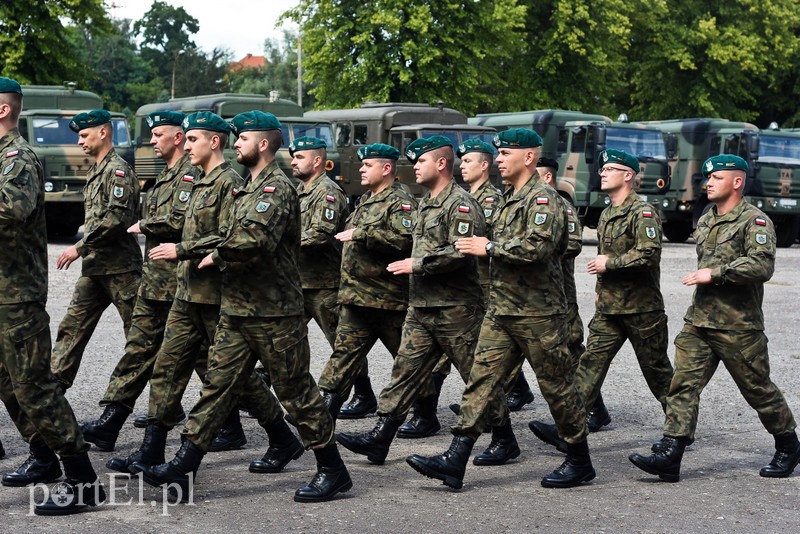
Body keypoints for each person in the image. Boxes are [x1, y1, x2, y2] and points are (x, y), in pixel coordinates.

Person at [139, 110, 352, 503]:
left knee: (297, 392)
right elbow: (226, 232)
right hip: (237, 310)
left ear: (264, 144)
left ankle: (333, 470)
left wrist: (199, 252)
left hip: (274, 313)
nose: (236, 144)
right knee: (216, 388)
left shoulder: (277, 189)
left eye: (242, 138)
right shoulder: (247, 187)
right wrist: (203, 248)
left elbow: (253, 238)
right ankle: (184, 466)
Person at [106, 112, 296, 475]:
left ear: (215, 141)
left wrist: (184, 248)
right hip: (187, 291)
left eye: (193, 139)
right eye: (186, 139)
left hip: (215, 295)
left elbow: (229, 237)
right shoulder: (200, 180)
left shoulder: (230, 182)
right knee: (167, 369)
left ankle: (282, 436)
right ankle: (151, 450)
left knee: (233, 378)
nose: (186, 145)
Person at [406, 128, 595, 490]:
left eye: (506, 153)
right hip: (502, 309)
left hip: (539, 313)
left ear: (529, 157)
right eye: (499, 153)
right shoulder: (509, 199)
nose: (500, 160)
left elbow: (537, 248)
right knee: (481, 382)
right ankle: (455, 458)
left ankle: (579, 459)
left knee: (557, 387)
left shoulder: (544, 200)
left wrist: (490, 247)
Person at [629, 154, 800, 482]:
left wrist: (716, 273)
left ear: (737, 182)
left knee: (757, 389)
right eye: (708, 178)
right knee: (683, 385)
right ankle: (671, 452)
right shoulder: (706, 218)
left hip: (738, 325)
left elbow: (762, 266)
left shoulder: (755, 221)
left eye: (716, 178)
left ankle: (788, 444)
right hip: (700, 321)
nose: (708, 183)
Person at [336, 135, 493, 465]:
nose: (414, 167)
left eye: (420, 161)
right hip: (422, 306)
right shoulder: (426, 203)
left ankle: (504, 438)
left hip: (455, 309)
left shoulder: (461, 204)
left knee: (476, 378)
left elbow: (462, 252)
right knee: (404, 374)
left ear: (440, 164)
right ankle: (380, 438)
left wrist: (418, 264)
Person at [0, 76, 105, 515]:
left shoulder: (17, 158)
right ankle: (43, 455)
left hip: (15, 294)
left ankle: (82, 479)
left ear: (2, 109)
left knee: (35, 386)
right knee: (7, 383)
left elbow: (12, 209)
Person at [530, 149, 673, 452]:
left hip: (642, 309)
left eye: (610, 169)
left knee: (658, 374)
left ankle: (679, 430)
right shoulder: (607, 213)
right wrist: (600, 285)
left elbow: (648, 253)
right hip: (609, 308)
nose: (603, 173)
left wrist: (611, 265)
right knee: (589, 366)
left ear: (628, 176)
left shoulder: (643, 212)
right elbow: (602, 259)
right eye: (603, 168)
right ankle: (567, 427)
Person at [79, 111, 197, 451]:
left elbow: (180, 221)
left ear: (176, 138)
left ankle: (270, 427)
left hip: (182, 283)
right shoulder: (163, 177)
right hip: (156, 282)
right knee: (139, 349)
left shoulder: (188, 176)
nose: (152, 142)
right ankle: (110, 422)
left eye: (158, 135)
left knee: (208, 359)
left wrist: (146, 225)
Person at [317, 144, 416, 421]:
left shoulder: (400, 200)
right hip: (357, 297)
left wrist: (364, 234)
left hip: (386, 299)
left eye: (367, 165)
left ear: (386, 169)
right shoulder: (366, 199)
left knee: (409, 361)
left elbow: (405, 240)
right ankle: (323, 414)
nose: (360, 168)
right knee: (344, 355)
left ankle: (425, 412)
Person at [50, 109, 142, 390]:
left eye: (84, 135)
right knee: (71, 330)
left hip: (121, 270)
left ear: (103, 132)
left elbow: (117, 219)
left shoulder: (118, 171)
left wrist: (79, 246)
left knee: (142, 337)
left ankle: (167, 405)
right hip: (95, 269)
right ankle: (50, 394)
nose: (80, 142)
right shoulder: (96, 171)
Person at [292, 137, 375, 418]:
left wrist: (282, 244)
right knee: (283, 338)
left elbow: (320, 233)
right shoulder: (300, 191)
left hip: (324, 284)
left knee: (342, 344)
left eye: (300, 157)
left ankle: (364, 394)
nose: (293, 161)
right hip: (298, 282)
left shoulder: (328, 192)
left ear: (317, 161)